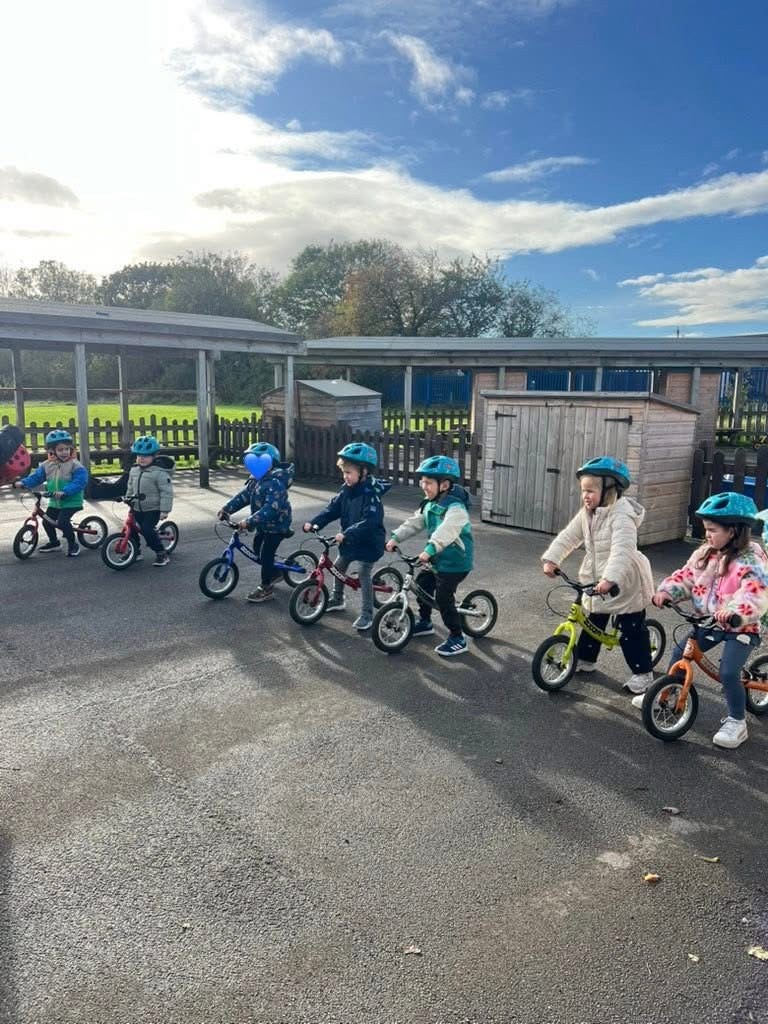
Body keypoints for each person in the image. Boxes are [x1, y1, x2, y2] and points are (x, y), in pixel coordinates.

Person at [634, 492, 768, 749]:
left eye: (712, 530)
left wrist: (735, 610)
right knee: (678, 654)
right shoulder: (706, 553)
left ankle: (737, 722)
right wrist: (666, 592)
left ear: (733, 531)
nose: (707, 534)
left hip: (741, 625)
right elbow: (686, 576)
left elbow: (755, 591)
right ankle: (666, 693)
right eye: (706, 529)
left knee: (729, 673)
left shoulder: (752, 558)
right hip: (708, 622)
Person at [541, 456, 655, 694]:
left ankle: (643, 673)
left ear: (610, 490)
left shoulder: (622, 515)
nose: (585, 496)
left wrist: (610, 579)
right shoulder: (587, 513)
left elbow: (622, 551)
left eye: (591, 490)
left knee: (631, 630)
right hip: (596, 577)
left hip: (624, 580)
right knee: (592, 619)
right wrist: (552, 559)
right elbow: (569, 536)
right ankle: (585, 659)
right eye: (583, 490)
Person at [386, 454, 473, 657]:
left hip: (455, 562)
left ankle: (457, 637)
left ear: (444, 485)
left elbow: (447, 531)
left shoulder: (456, 509)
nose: (424, 486)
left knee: (443, 597)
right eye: (422, 481)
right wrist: (396, 538)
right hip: (435, 558)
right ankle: (425, 622)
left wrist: (430, 549)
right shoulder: (429, 503)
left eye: (428, 482)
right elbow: (415, 522)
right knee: (423, 585)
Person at [303, 442, 391, 631]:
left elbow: (370, 522)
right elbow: (332, 509)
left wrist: (346, 533)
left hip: (369, 543)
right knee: (338, 568)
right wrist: (315, 522)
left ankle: (367, 614)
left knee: (363, 573)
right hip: (350, 541)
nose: (346, 476)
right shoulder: (346, 490)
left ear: (364, 472)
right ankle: (337, 599)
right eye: (344, 472)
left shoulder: (371, 495)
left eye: (349, 472)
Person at [218, 442, 294, 603]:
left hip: (278, 525)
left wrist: (249, 521)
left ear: (271, 464)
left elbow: (270, 509)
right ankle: (274, 572)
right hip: (263, 525)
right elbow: (243, 497)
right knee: (257, 547)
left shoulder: (276, 483)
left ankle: (266, 588)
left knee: (266, 554)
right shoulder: (255, 480)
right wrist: (227, 509)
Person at [13, 429, 88, 557]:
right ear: (52, 451)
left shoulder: (75, 465)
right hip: (55, 501)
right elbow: (36, 477)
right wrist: (23, 483)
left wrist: (65, 492)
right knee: (47, 522)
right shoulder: (47, 465)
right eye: (60, 450)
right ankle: (54, 543)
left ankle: (73, 545)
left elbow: (80, 482)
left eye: (67, 449)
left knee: (63, 522)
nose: (64, 452)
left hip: (71, 501)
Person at [125, 435, 175, 567]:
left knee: (147, 530)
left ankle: (161, 553)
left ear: (154, 456)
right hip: (136, 506)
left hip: (153, 508)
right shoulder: (134, 471)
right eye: (139, 455)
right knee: (131, 529)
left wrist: (164, 510)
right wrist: (128, 497)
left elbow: (166, 492)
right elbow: (130, 486)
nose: (141, 458)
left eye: (146, 456)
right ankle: (135, 551)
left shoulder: (159, 473)